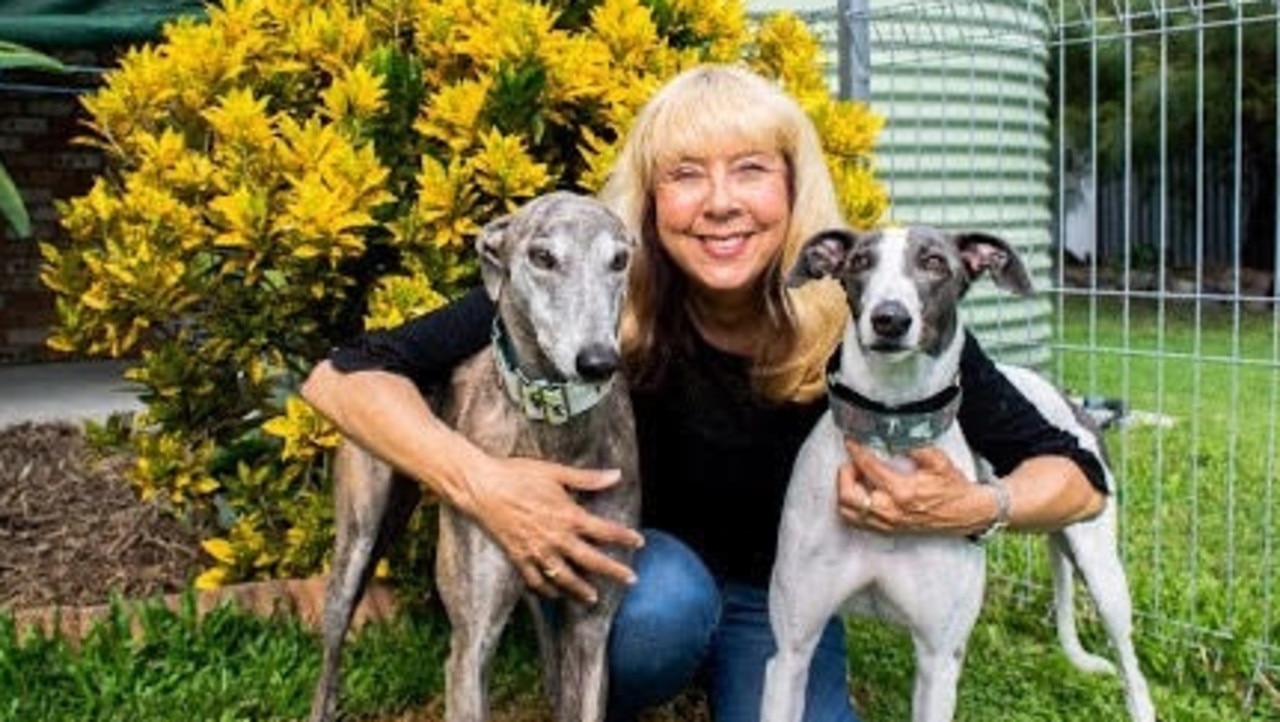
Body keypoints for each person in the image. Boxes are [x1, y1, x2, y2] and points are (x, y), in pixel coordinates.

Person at [301, 64, 1108, 722]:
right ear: (653, 199)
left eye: (750, 171)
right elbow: (345, 376)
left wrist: (974, 508)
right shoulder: (593, 285)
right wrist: (483, 483)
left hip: (784, 593)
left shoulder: (865, 314)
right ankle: (616, 672)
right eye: (686, 174)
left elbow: (1076, 475)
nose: (719, 201)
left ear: (795, 192)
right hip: (644, 576)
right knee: (660, 614)